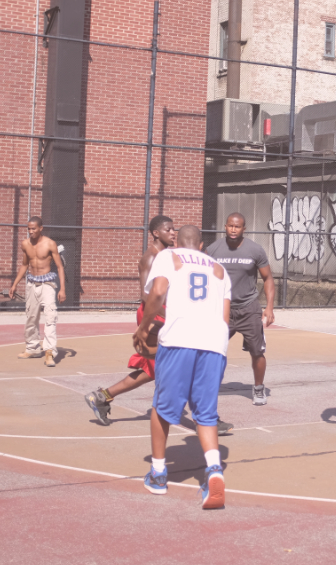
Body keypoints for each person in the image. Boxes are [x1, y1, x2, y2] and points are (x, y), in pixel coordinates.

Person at [84, 216, 234, 435]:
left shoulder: (172, 257)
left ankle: (102, 396)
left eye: (174, 230)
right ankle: (206, 418)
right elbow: (147, 295)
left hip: (165, 314)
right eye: (168, 230)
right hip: (154, 314)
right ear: (156, 233)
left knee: (156, 368)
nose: (173, 233)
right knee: (177, 362)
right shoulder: (152, 258)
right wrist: (175, 312)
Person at [135, 225, 231, 509]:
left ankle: (159, 474)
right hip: (215, 343)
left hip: (179, 339)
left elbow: (158, 292)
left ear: (177, 242)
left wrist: (143, 327)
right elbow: (225, 317)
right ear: (202, 246)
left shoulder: (169, 256)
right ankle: (214, 469)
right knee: (206, 412)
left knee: (162, 408)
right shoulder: (219, 269)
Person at [206, 212, 275, 405]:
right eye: (230, 226)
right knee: (210, 350)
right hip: (222, 310)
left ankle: (259, 388)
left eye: (237, 227)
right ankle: (205, 386)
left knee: (257, 352)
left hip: (248, 308)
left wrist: (269, 307)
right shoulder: (213, 249)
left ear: (244, 229)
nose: (233, 229)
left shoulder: (255, 250)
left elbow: (268, 278)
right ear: (225, 226)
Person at [10, 217, 67, 368]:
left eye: (34, 228)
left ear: (41, 228)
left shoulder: (50, 244)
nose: (31, 231)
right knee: (31, 317)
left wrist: (62, 289)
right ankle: (33, 348)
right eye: (29, 228)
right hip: (31, 284)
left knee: (50, 317)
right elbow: (24, 265)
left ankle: (49, 352)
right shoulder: (25, 244)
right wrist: (14, 284)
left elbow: (60, 267)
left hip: (47, 284)